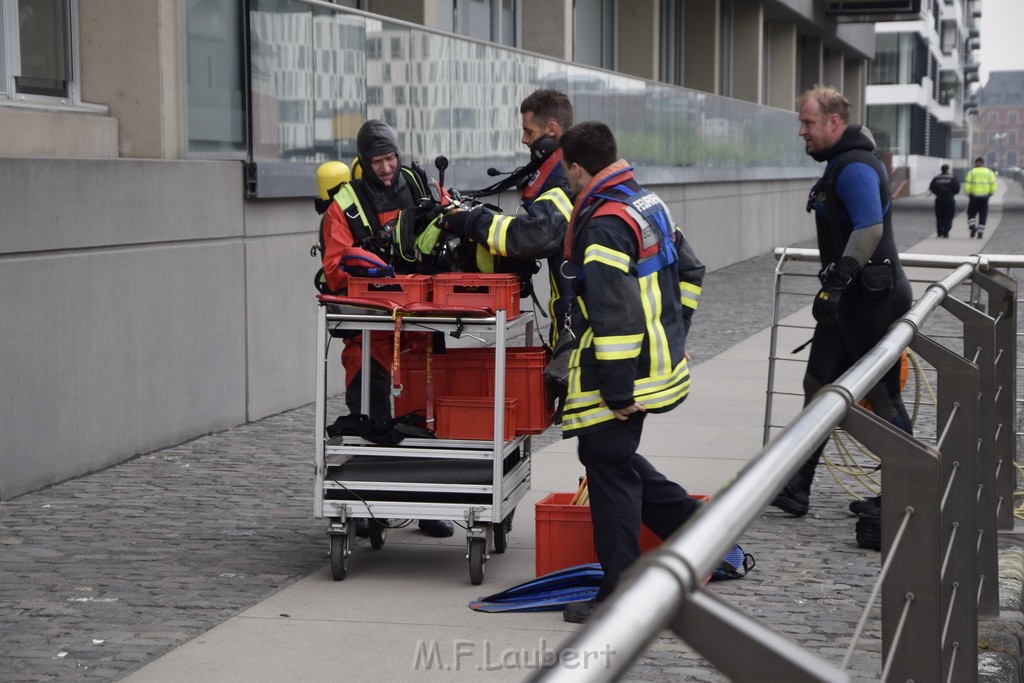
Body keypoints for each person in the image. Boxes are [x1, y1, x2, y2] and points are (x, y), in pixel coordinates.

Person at [556, 121, 704, 623]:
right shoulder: (647, 205)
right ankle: (695, 526)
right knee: (609, 455)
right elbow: (691, 271)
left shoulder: (601, 224)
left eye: (567, 171)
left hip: (624, 373)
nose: (567, 180)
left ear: (578, 167)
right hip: (657, 365)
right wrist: (675, 333)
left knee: (609, 466)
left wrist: (617, 392)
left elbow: (614, 317)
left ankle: (618, 594)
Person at [770, 86, 914, 518]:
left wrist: (838, 280)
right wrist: (835, 290)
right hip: (845, 300)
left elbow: (869, 229)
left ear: (835, 122)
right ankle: (797, 487)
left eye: (809, 123)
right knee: (817, 384)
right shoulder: (840, 163)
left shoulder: (853, 167)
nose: (802, 131)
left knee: (883, 397)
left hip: (872, 300)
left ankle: (907, 492)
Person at [317, 120, 454, 538]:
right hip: (371, 332)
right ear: (363, 162)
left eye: (390, 157)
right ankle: (368, 510)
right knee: (370, 418)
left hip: (420, 325)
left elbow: (452, 216)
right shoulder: (346, 205)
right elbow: (334, 268)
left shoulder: (420, 183)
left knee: (428, 415)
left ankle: (429, 505)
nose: (386, 167)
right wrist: (371, 267)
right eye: (377, 161)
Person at [441, 88, 577, 348]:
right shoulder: (571, 170)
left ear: (552, 130)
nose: (524, 140)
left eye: (529, 132)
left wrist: (469, 222)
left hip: (580, 324)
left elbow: (531, 236)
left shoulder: (564, 180)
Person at [963, 156, 997, 239]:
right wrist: (991, 193)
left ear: (976, 163)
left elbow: (968, 184)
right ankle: (980, 233)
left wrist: (968, 192)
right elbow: (993, 184)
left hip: (974, 196)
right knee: (983, 214)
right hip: (985, 197)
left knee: (971, 213)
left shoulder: (971, 172)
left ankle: (973, 227)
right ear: (983, 163)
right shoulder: (989, 172)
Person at [928, 164, 959, 238]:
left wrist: (937, 193)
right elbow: (957, 188)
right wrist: (952, 193)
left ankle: (939, 231)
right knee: (949, 216)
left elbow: (931, 187)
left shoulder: (936, 178)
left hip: (939, 199)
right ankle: (946, 231)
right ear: (948, 169)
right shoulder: (953, 178)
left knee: (939, 216)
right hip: (949, 199)